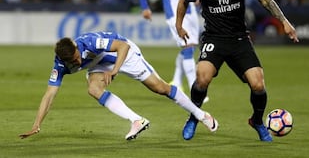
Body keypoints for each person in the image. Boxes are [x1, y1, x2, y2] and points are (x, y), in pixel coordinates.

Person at [176, 0, 299, 142]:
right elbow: (183, 1)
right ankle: (194, 117)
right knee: (202, 78)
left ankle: (257, 121)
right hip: (213, 39)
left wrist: (283, 20)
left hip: (239, 39)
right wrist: (178, 25)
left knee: (258, 84)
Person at [19, 31, 218, 141]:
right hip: (100, 63)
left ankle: (202, 115)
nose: (78, 62)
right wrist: (37, 124)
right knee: (93, 89)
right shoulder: (60, 64)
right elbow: (49, 95)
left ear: (76, 48)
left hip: (123, 53)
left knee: (160, 88)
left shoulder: (88, 43)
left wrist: (114, 70)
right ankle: (137, 120)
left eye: (77, 57)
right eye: (73, 61)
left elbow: (123, 46)